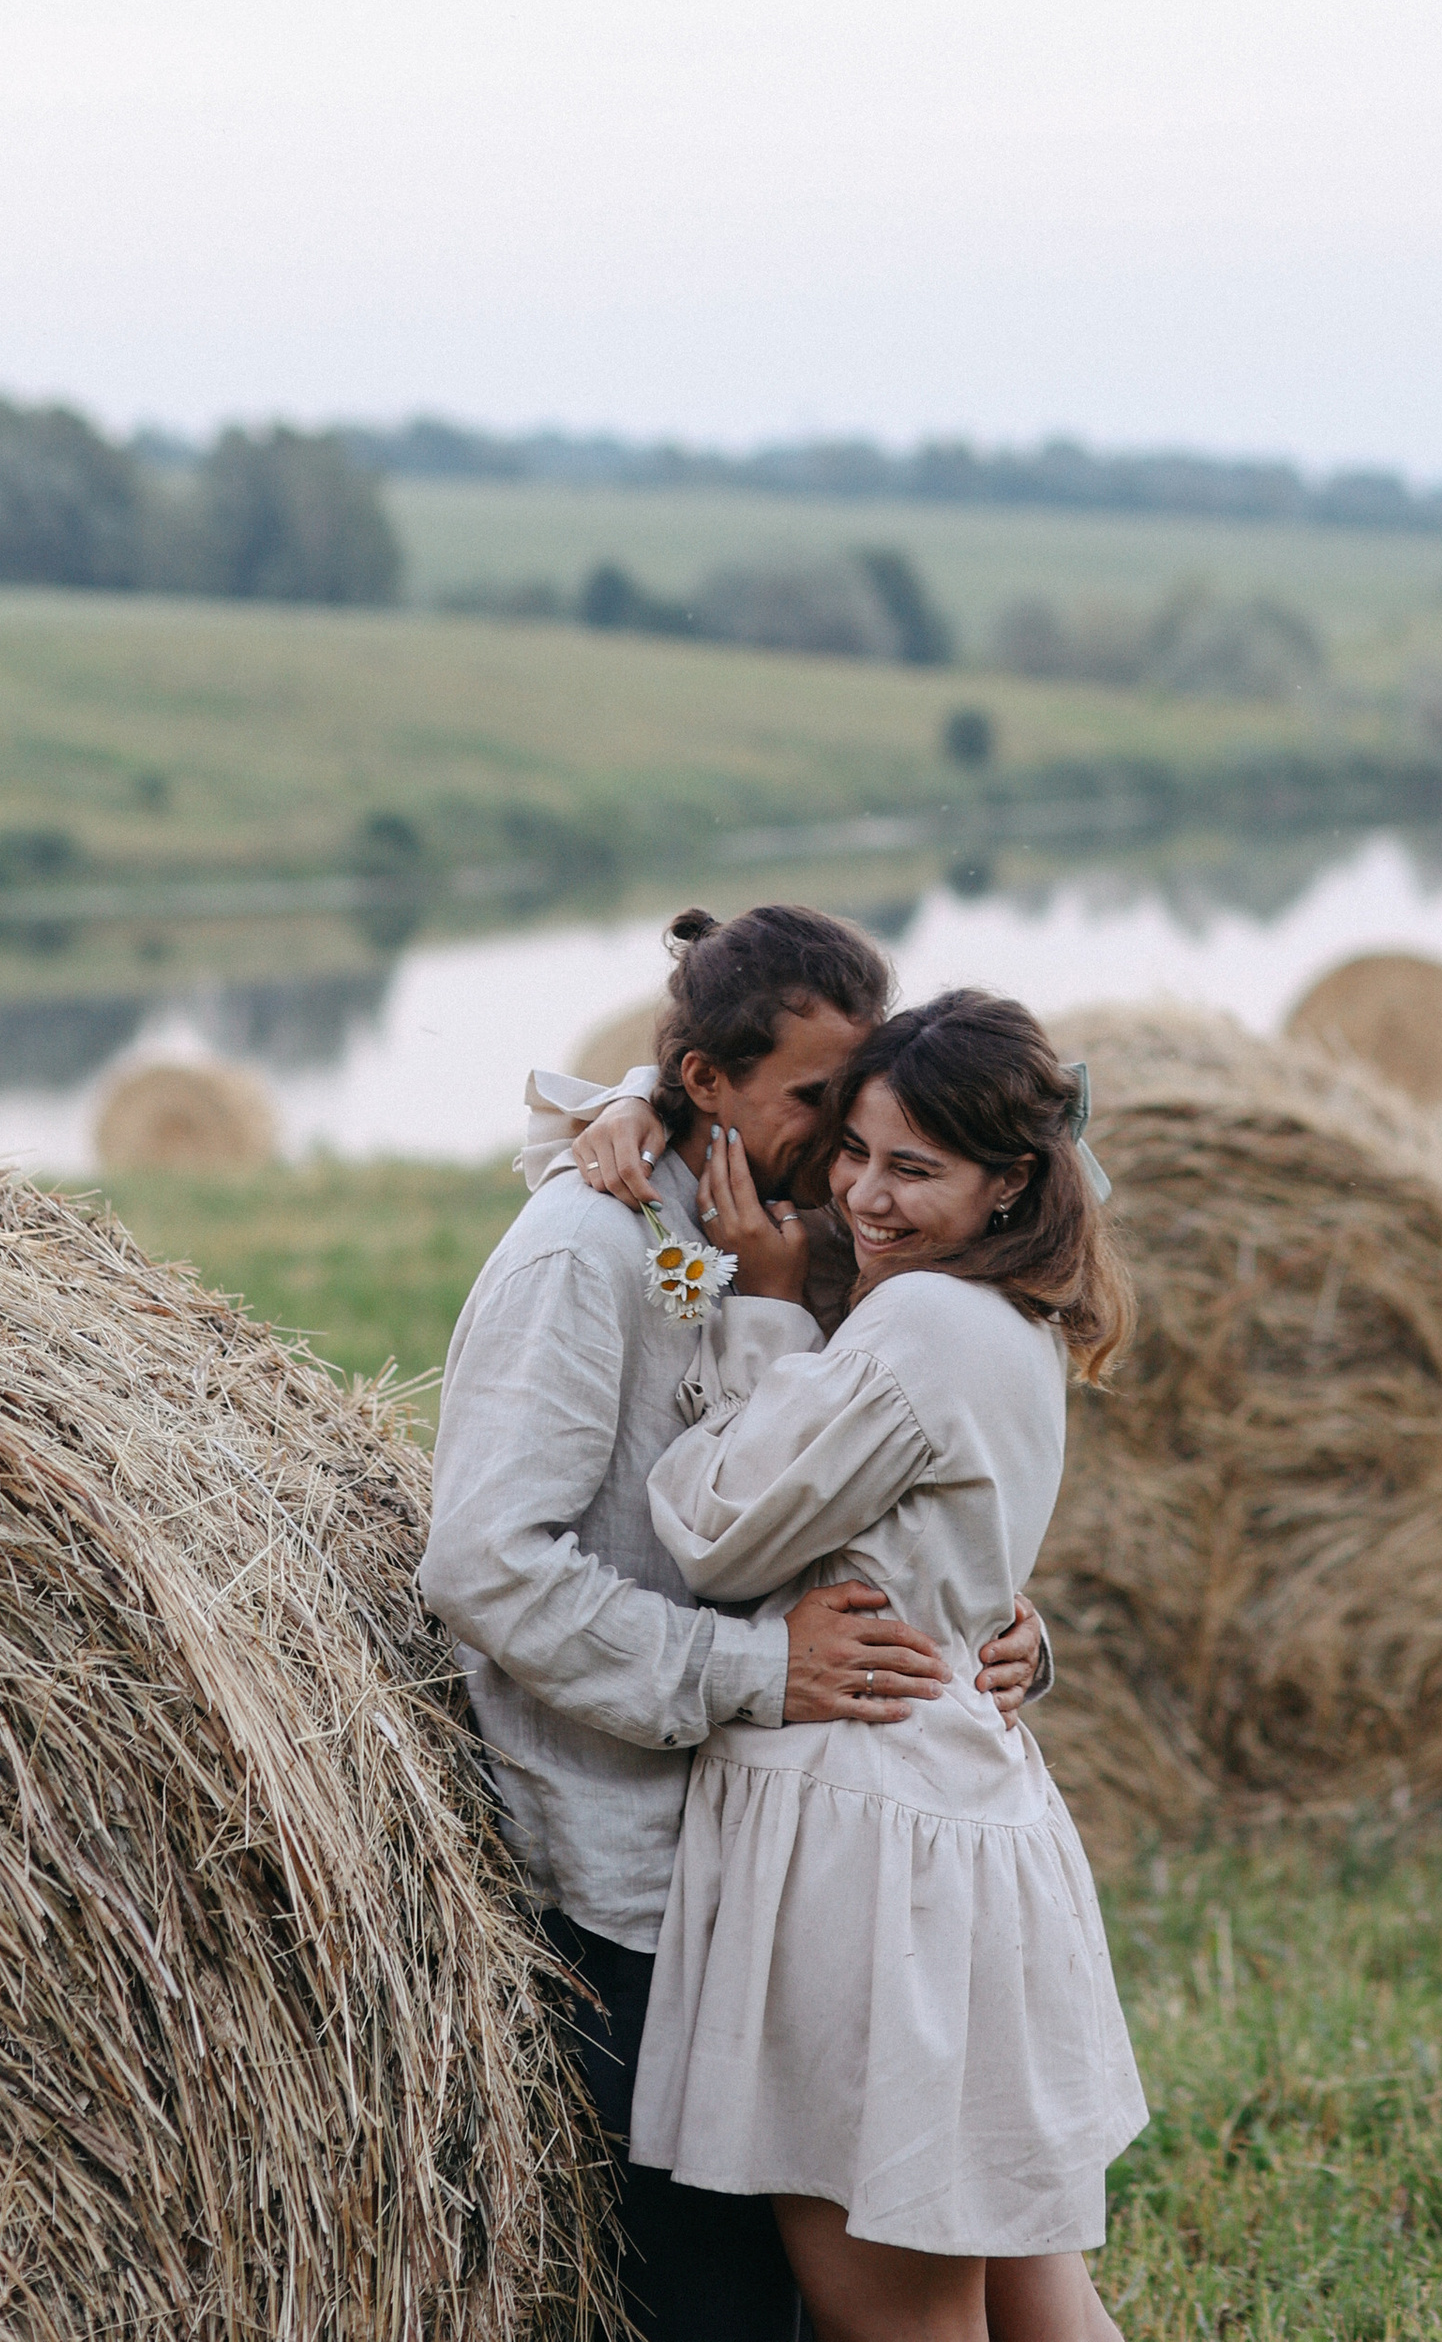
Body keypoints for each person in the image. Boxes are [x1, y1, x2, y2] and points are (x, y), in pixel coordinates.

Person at [419, 906, 1048, 2342]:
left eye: (865, 1103)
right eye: (817, 1102)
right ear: (706, 1082)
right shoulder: (586, 1250)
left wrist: (1003, 1620)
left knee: (848, 2278)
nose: (849, 1150)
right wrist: (753, 1669)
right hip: (628, 1877)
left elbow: (882, 1466)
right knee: (715, 2303)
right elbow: (485, 1560)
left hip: (781, 1857)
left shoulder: (801, 1238)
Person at [625, 988, 1148, 2342]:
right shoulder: (1009, 1315)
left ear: (1009, 1183)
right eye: (853, 1149)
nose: (863, 1192)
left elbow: (718, 1534)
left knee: (902, 2324)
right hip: (965, 1829)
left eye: (915, 1169)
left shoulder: (914, 1329)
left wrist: (771, 1315)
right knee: (1043, 2304)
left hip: (870, 1858)